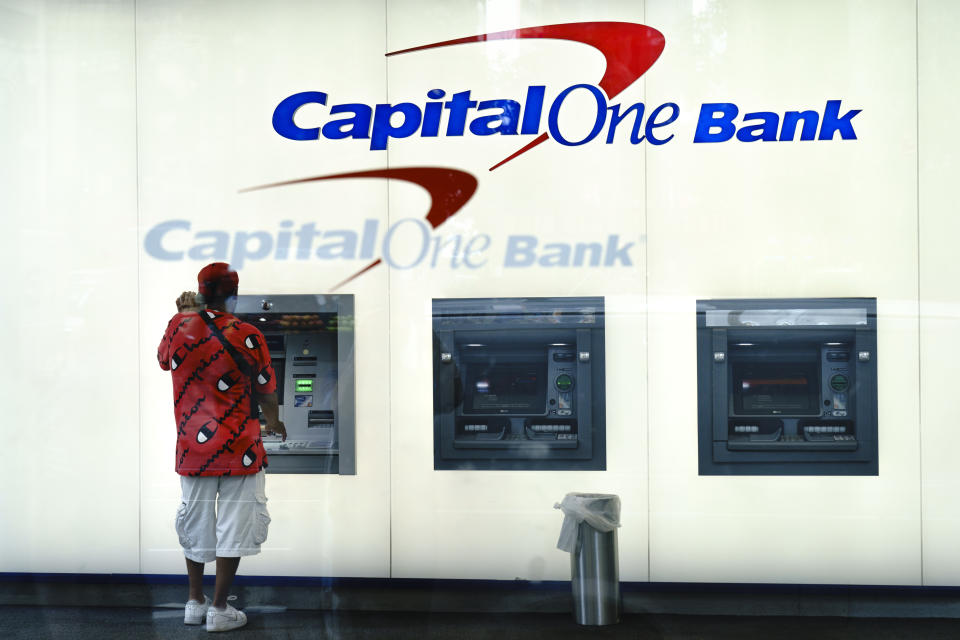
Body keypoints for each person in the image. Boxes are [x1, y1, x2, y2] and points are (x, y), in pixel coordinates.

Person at [157, 262, 287, 632]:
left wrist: (183, 316)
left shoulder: (178, 326)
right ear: (234, 294)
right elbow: (266, 388)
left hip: (193, 449)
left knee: (195, 521)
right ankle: (219, 609)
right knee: (234, 523)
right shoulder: (248, 333)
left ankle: (194, 602)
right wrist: (274, 422)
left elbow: (163, 360)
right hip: (240, 448)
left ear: (200, 291)